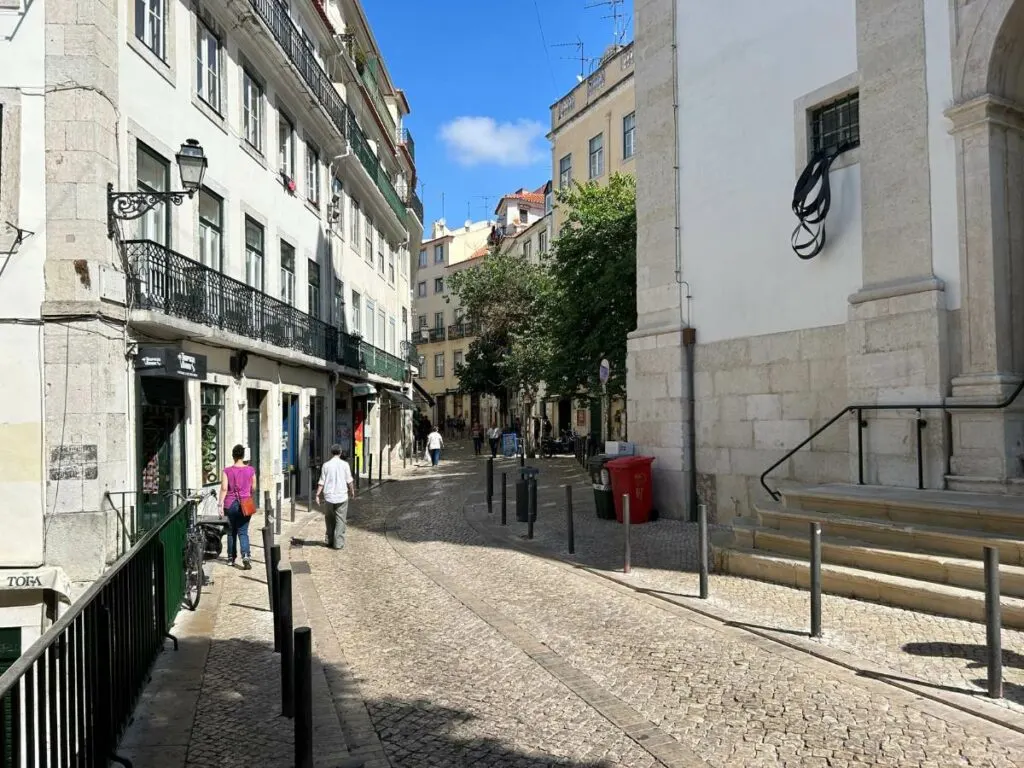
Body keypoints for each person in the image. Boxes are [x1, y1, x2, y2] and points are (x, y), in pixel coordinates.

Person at [219, 444, 256, 569]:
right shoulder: (251, 470)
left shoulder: (227, 471)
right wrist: (248, 494)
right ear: (243, 456)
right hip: (245, 504)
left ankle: (230, 558)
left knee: (231, 532)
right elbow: (254, 487)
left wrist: (220, 504)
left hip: (230, 504)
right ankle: (245, 555)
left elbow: (224, 488)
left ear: (233, 456)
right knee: (243, 532)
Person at [316, 444, 355, 550]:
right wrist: (352, 491)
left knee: (329, 519)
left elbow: (321, 481)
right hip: (341, 496)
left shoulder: (326, 465)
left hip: (329, 497)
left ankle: (329, 540)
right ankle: (338, 543)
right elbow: (349, 480)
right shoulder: (345, 465)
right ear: (340, 452)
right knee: (341, 520)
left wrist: (317, 494)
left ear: (331, 452)